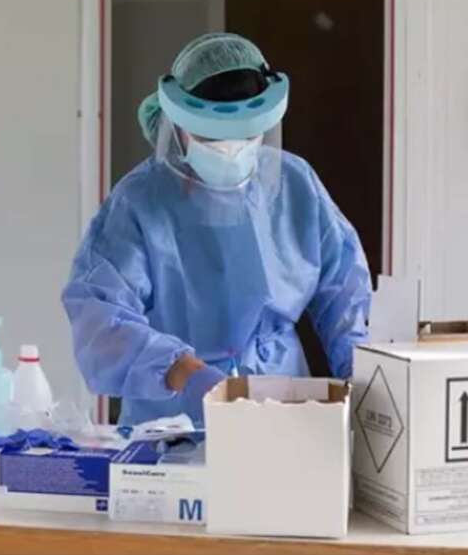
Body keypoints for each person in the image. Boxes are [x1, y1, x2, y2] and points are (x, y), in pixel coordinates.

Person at [62, 33, 370, 427]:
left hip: (281, 405)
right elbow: (98, 316)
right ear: (178, 127)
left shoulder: (294, 184)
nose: (230, 148)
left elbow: (346, 294)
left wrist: (363, 376)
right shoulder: (141, 201)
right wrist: (184, 373)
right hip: (172, 414)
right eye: (211, 137)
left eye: (245, 135)